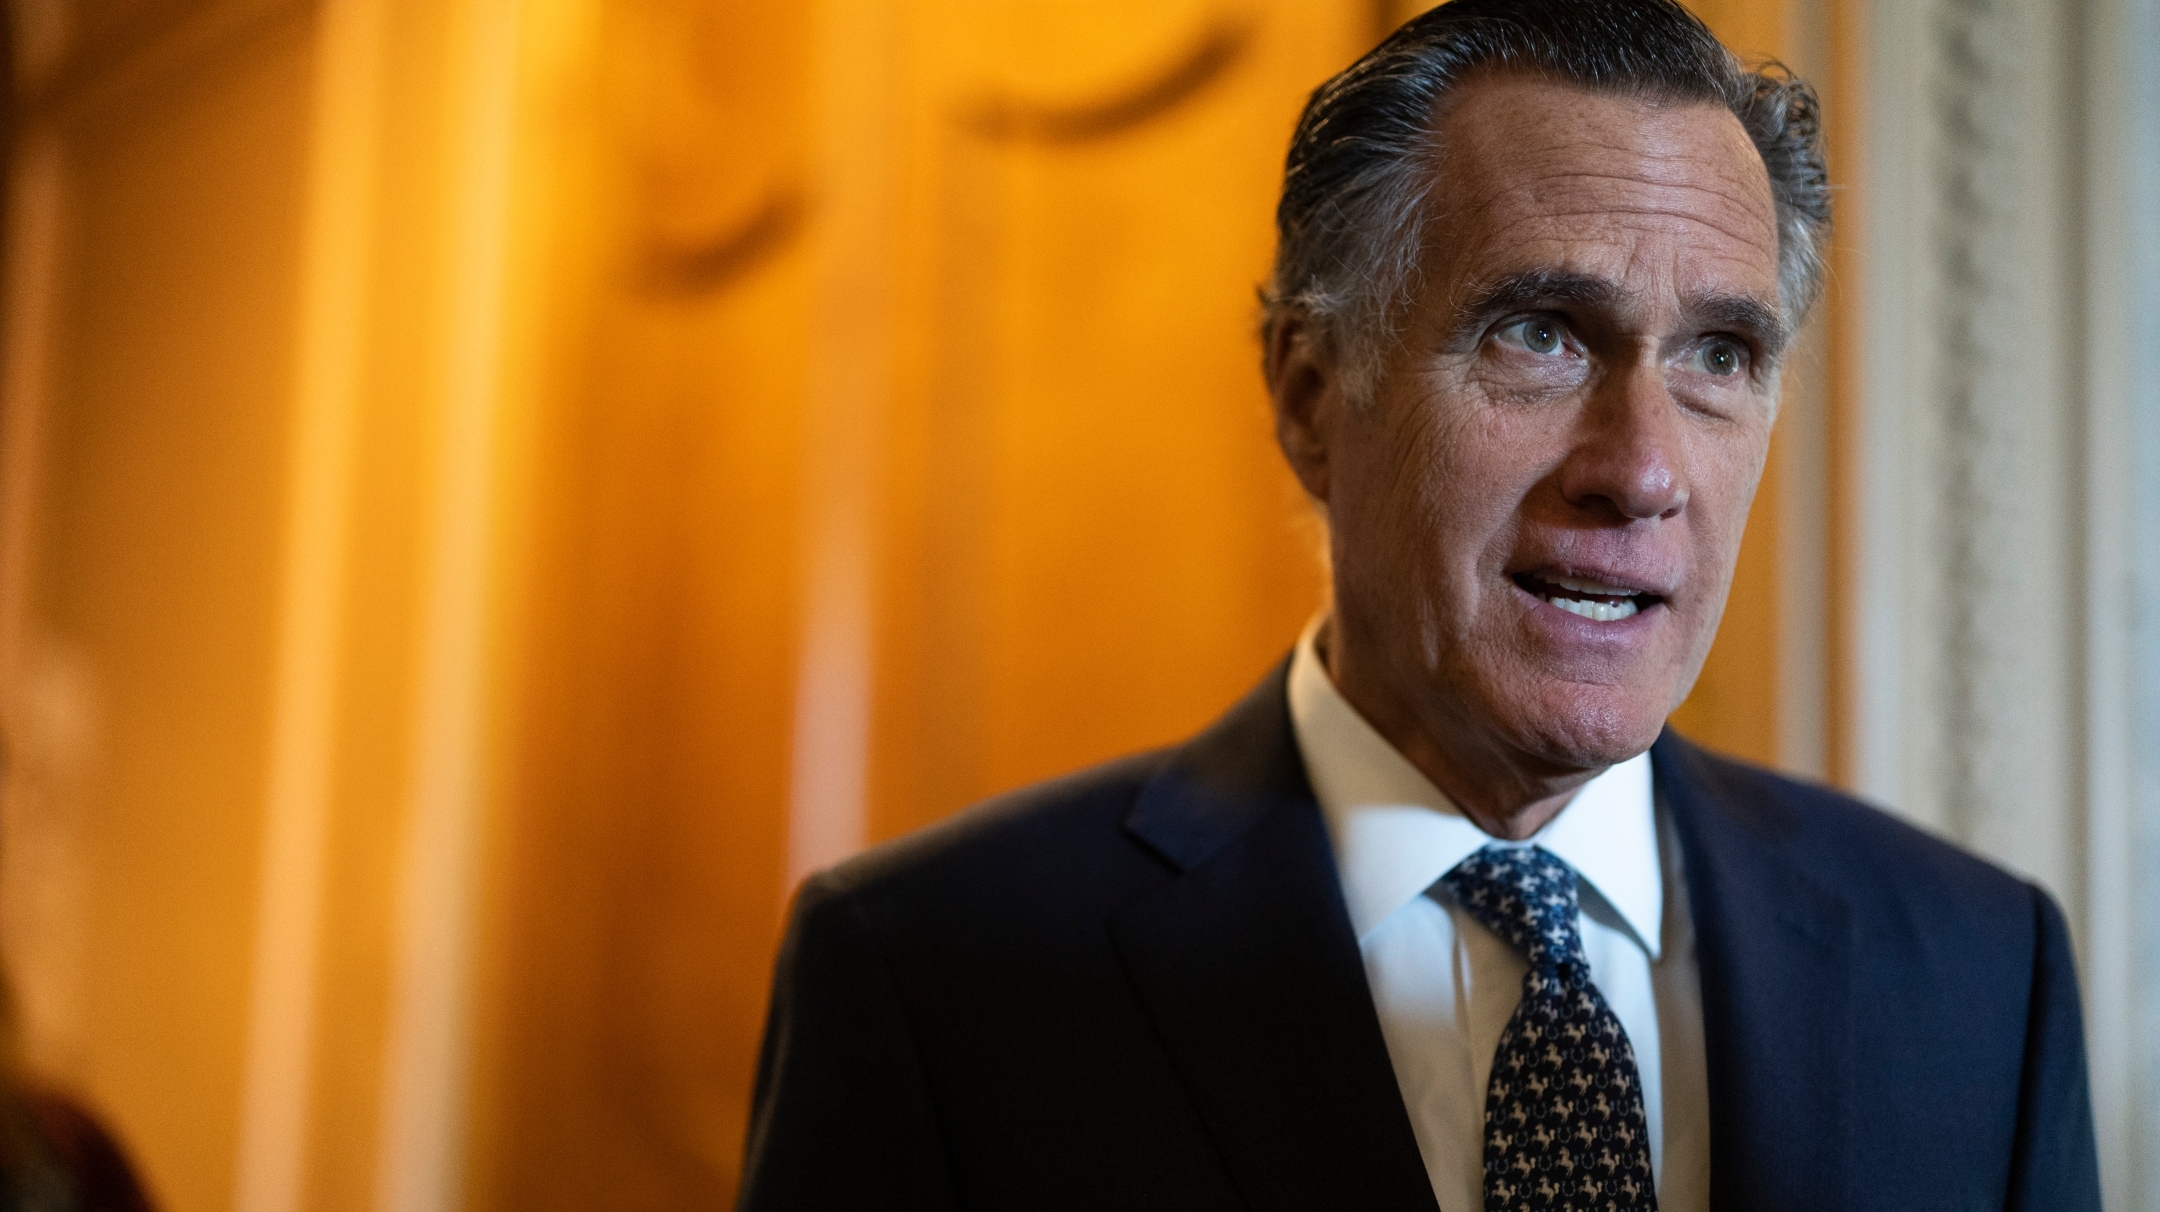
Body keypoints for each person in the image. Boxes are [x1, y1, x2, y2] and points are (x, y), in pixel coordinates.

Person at [737, 1, 2103, 1208]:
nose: (1639, 470)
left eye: (1720, 354)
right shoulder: (936, 978)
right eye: (1540, 334)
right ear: (1312, 395)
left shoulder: (1986, 977)